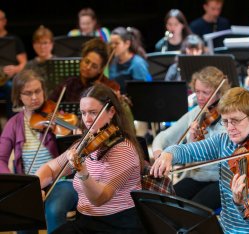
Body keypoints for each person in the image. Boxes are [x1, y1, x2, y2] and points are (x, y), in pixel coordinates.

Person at [151, 87, 249, 233]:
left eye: (235, 121)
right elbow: (188, 151)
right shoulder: (224, 141)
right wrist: (169, 154)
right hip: (227, 228)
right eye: (225, 121)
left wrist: (240, 202)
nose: (230, 128)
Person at [36, 84, 145, 233]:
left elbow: (99, 199)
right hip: (85, 222)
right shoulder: (85, 143)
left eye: (93, 113)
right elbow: (51, 169)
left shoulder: (123, 150)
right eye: (83, 113)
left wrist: (82, 172)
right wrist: (33, 189)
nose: (87, 119)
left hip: (117, 226)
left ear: (111, 112)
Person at [0, 69, 76, 234]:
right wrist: (15, 185)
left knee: (54, 210)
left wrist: (70, 135)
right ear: (18, 96)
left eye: (37, 91)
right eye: (27, 93)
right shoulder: (14, 124)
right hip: (29, 185)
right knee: (21, 215)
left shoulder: (56, 116)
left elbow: (73, 152)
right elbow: (1, 159)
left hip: (60, 181)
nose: (34, 97)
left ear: (44, 91)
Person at [153, 66, 229, 210]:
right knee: (164, 203)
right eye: (197, 91)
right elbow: (164, 137)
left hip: (220, 180)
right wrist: (159, 154)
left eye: (205, 93)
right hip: (195, 177)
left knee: (191, 210)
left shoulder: (227, 119)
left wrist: (192, 143)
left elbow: (213, 154)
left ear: (219, 93)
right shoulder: (196, 112)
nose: (200, 97)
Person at [0, 9, 27, 118]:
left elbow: (23, 63)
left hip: (8, 79)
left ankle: (12, 122)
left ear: (4, 21)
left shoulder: (14, 39)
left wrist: (15, 69)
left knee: (11, 86)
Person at [109, 27, 150, 93]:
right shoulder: (113, 61)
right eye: (111, 43)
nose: (113, 46)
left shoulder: (137, 63)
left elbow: (142, 90)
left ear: (127, 44)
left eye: (116, 43)